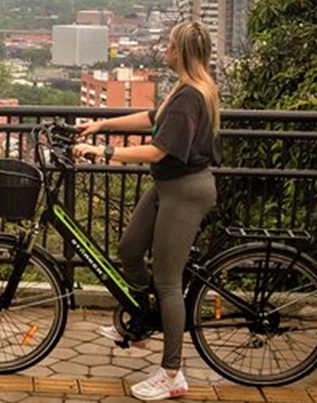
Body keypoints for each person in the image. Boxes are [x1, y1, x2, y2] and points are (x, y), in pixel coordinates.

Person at [72, 20, 220, 402]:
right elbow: (152, 119)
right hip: (166, 186)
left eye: (171, 45)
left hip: (185, 191)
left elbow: (158, 150)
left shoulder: (192, 95)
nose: (166, 50)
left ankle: (172, 373)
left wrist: (106, 152)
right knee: (129, 250)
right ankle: (141, 323)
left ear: (183, 52)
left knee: (168, 282)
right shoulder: (184, 90)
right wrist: (103, 124)